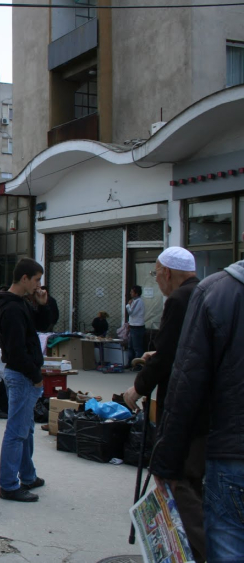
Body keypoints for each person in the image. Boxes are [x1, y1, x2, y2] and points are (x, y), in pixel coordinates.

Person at [150, 241, 244, 563]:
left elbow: (185, 375)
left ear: (167, 273)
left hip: (224, 440)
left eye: (157, 273)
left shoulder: (210, 293)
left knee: (227, 538)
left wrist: (166, 457)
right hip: (222, 433)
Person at [121, 247, 204, 560]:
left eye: (156, 273)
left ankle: (205, 549)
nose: (156, 280)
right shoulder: (205, 292)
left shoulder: (181, 300)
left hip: (185, 406)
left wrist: (137, 389)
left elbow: (168, 354)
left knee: (175, 478)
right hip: (206, 407)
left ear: (167, 272)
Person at [0, 258, 53, 502]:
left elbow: (44, 325)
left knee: (25, 430)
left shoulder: (23, 304)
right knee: (17, 432)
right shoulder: (11, 309)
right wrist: (36, 375)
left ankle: (28, 475)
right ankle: (8, 485)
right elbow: (16, 351)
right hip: (21, 376)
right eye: (37, 280)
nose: (39, 285)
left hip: (24, 374)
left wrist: (44, 305)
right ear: (24, 278)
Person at [125, 285, 146, 368]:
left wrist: (128, 305)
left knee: (137, 347)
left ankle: (138, 365)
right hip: (133, 326)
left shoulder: (138, 301)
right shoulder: (134, 301)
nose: (130, 293)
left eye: (132, 292)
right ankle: (130, 363)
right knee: (130, 346)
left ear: (136, 293)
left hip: (137, 327)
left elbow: (131, 313)